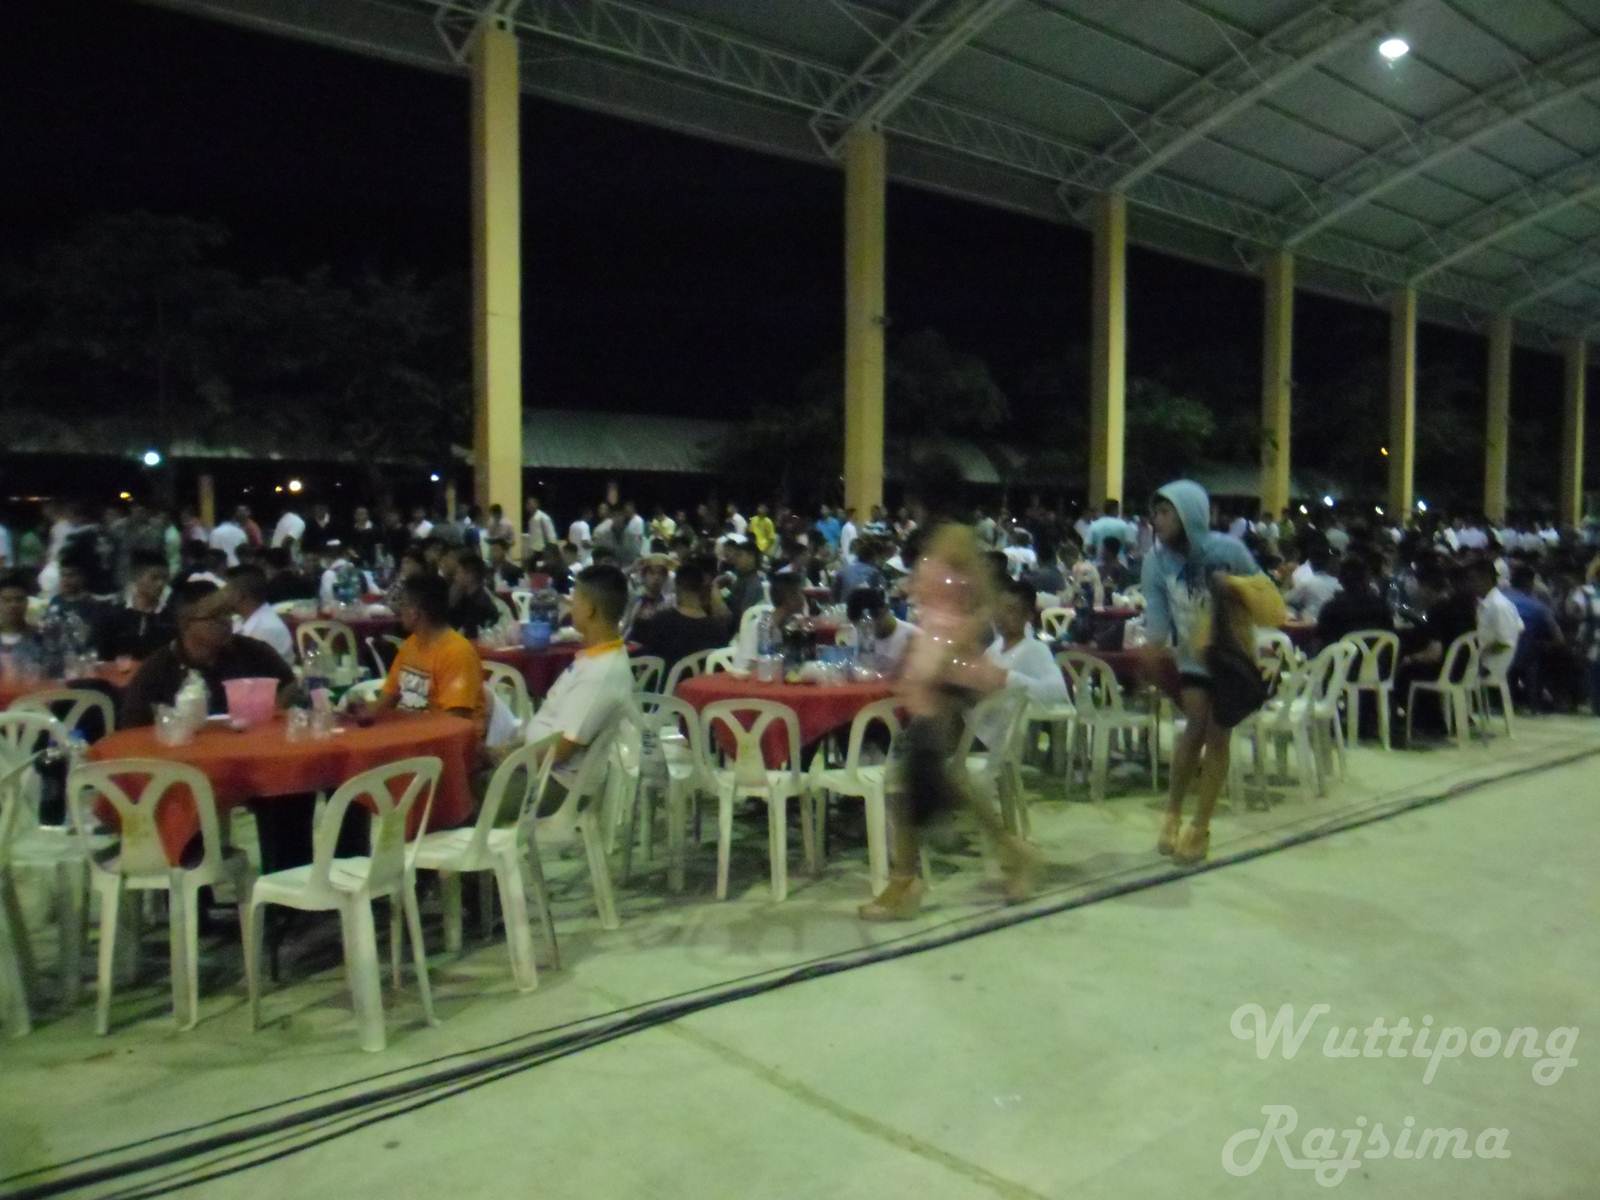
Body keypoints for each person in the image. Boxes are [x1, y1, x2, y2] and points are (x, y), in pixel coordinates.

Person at [860, 524, 1040, 921]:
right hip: (935, 672)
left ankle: (906, 882)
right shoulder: (940, 552)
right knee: (934, 778)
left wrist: (949, 649)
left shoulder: (954, 550)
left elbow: (981, 608)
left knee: (914, 776)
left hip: (947, 676)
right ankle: (1011, 853)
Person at [1140, 480, 1266, 865]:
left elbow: (1263, 594)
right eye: (1155, 512)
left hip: (1231, 659)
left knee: (1218, 734)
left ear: (1188, 514)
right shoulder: (1155, 562)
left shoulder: (1228, 550)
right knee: (1194, 728)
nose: (1157, 520)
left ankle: (1200, 826)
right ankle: (1173, 812)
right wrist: (1152, 648)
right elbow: (1158, 618)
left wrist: (1234, 587)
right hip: (1192, 659)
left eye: (1166, 512)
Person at [121, 581, 297, 728]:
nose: (226, 622)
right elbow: (132, 725)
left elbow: (291, 685)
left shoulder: (252, 652)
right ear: (185, 623)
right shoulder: (159, 668)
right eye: (215, 616)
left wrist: (274, 708)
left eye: (228, 613)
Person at [521, 565, 634, 794]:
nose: (571, 607)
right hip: (543, 768)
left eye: (575, 601)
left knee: (467, 787)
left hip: (557, 784)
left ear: (590, 610)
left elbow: (561, 751)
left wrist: (511, 759)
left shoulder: (600, 673)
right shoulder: (596, 658)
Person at [362, 574, 486, 740]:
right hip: (411, 737)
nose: (399, 611)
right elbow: (388, 697)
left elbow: (454, 723)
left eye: (403, 604)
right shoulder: (411, 644)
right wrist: (361, 711)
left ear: (414, 613)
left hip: (447, 746)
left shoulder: (457, 653)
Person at [632, 560, 732, 673]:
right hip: (704, 683)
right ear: (701, 589)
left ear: (677, 587)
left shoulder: (661, 621)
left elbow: (645, 662)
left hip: (666, 683)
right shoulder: (718, 629)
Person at [1505, 564, 1562, 712]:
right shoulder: (1538, 607)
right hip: (1524, 658)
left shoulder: (1499, 598)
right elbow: (1559, 640)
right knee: (1535, 652)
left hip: (1496, 656)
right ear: (1530, 583)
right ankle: (1534, 702)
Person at [99, 550, 174, 661]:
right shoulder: (114, 616)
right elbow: (103, 657)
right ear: (136, 577)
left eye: (164, 578)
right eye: (154, 578)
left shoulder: (170, 618)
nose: (160, 584)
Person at [1314, 556, 1392, 649]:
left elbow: (1322, 640)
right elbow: (1391, 635)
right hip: (1377, 657)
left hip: (1342, 657)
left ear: (1340, 580)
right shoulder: (1381, 606)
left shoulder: (1330, 608)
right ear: (1366, 578)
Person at [735, 572, 807, 668]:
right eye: (801, 594)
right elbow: (751, 668)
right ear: (790, 597)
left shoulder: (792, 626)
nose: (804, 600)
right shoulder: (757, 627)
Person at [845, 587, 918, 678]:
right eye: (861, 627)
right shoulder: (854, 636)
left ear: (886, 609)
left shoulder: (913, 637)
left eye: (870, 624)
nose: (867, 630)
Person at [226, 564, 295, 661]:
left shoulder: (266, 629)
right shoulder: (239, 620)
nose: (223, 597)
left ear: (238, 595)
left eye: (226, 591)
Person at [1473, 557, 1523, 683]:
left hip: (1491, 670)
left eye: (1473, 579)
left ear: (1486, 579)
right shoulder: (1487, 603)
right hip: (1487, 666)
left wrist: (1479, 654)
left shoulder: (1499, 605)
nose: (1470, 584)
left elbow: (1505, 642)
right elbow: (1520, 627)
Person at [447, 553, 503, 642]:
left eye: (458, 572)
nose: (455, 577)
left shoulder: (480, 604)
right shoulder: (464, 597)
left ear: (470, 576)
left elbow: (470, 635)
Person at [0, 570, 42, 677]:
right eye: (7, 600)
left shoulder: (40, 638)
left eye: (19, 599)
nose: (13, 605)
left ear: (27, 602)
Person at [1284, 545, 1342, 620]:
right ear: (1328, 565)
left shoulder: (1306, 582)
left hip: (1311, 620)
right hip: (1333, 619)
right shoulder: (1337, 583)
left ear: (1311, 564)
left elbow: (1287, 599)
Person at [724, 538, 765, 623]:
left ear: (751, 557)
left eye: (739, 555)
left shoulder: (754, 585)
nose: (735, 558)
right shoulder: (741, 577)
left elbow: (743, 617)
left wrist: (715, 589)